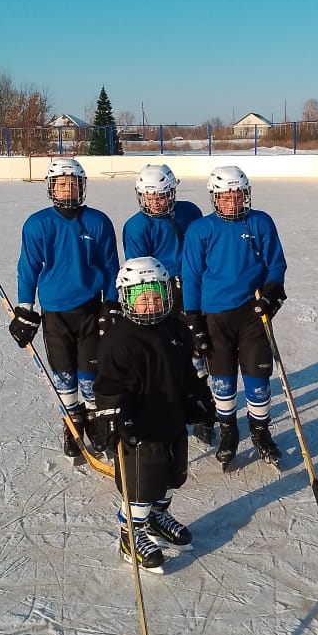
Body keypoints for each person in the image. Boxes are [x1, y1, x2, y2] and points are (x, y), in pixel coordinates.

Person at [93, 257, 216, 571]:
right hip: (139, 426)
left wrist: (197, 397)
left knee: (173, 477)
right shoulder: (118, 339)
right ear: (127, 299)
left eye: (156, 296)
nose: (150, 304)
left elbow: (186, 371)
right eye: (142, 298)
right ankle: (130, 534)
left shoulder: (176, 328)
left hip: (171, 419)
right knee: (142, 486)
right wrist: (112, 417)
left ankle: (159, 519)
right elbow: (109, 384)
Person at [8, 157, 121, 459]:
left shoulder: (98, 222)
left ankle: (95, 423)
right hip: (55, 313)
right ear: (51, 188)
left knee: (89, 376)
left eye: (73, 183)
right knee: (64, 376)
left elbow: (110, 266)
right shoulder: (37, 224)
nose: (67, 189)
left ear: (83, 187)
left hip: (90, 311)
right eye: (61, 184)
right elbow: (28, 267)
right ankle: (73, 424)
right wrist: (24, 308)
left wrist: (111, 302)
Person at [181, 165, 287, 469]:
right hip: (215, 315)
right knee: (223, 380)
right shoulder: (201, 230)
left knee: (257, 377)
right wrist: (194, 320)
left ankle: (260, 431)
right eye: (226, 196)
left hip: (252, 313)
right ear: (215, 198)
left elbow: (276, 265)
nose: (233, 201)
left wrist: (270, 293)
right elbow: (191, 277)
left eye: (238, 195)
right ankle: (229, 431)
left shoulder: (261, 222)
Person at [122, 164, 214, 446]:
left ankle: (203, 412)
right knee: (165, 354)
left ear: (172, 192)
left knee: (198, 352)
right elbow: (140, 271)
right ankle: (167, 409)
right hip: (160, 294)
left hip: (193, 288)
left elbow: (202, 251)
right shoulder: (136, 226)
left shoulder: (190, 212)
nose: (155, 202)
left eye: (161, 196)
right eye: (149, 197)